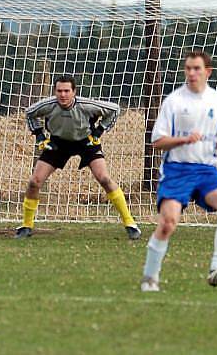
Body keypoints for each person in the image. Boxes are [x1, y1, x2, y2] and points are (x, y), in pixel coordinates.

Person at [140, 51, 217, 292]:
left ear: (208, 71)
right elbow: (157, 142)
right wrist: (182, 140)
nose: (192, 73)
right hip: (177, 171)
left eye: (196, 69)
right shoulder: (174, 101)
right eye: (188, 69)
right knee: (168, 224)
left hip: (206, 171)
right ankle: (150, 277)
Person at [17, 75, 140, 240]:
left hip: (86, 142)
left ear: (74, 92)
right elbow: (29, 113)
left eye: (67, 91)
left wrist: (99, 131)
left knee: (104, 178)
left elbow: (115, 109)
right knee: (34, 182)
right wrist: (39, 136)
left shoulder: (86, 105)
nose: (63, 95)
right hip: (58, 144)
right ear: (55, 92)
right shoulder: (48, 105)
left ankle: (130, 223)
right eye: (59, 91)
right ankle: (26, 226)